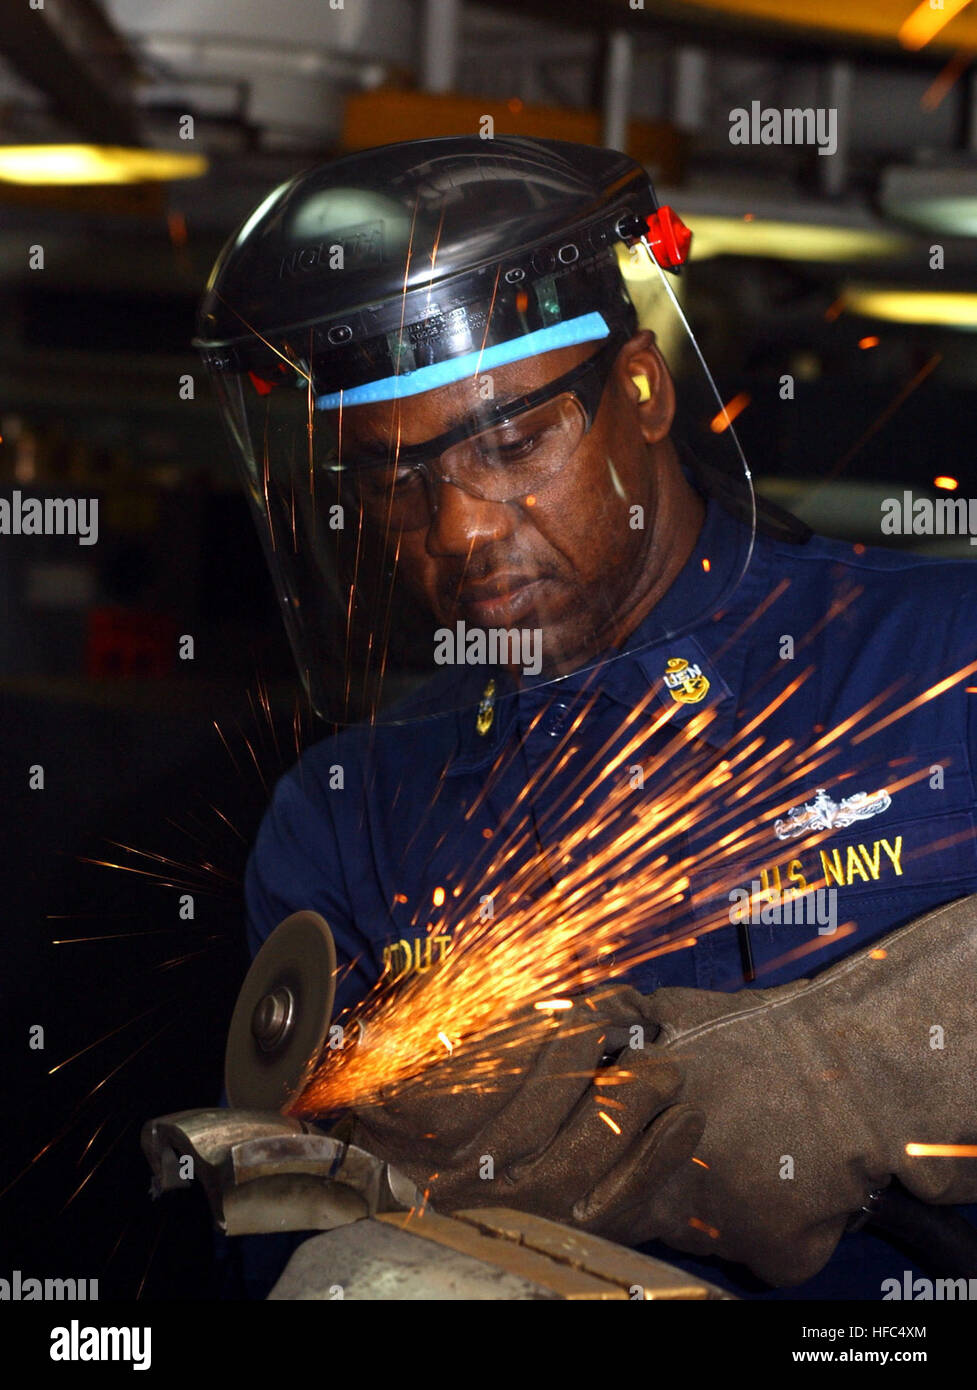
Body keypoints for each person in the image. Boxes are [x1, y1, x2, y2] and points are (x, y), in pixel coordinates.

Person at [197, 135, 977, 1299]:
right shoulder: (350, 819)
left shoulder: (939, 664)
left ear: (643, 390)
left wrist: (837, 1068)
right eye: (392, 480)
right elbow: (279, 1212)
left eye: (511, 441)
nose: (456, 528)